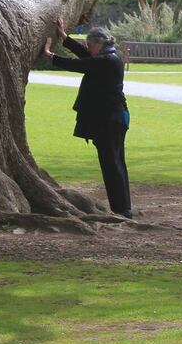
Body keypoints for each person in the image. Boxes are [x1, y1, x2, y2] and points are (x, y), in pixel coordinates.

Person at [43, 18, 132, 218]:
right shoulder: (107, 57)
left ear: (100, 45)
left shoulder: (106, 61)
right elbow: (86, 56)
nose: (89, 49)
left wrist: (50, 56)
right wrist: (65, 38)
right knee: (115, 163)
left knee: (112, 165)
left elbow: (79, 64)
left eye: (91, 46)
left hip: (112, 119)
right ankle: (123, 208)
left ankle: (122, 210)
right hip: (113, 118)